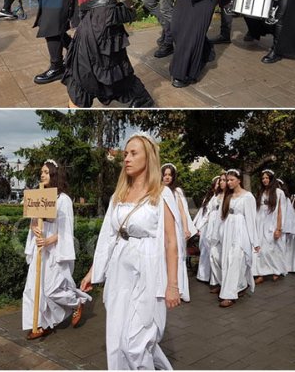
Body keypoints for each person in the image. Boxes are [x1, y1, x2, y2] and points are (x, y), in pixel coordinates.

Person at [79, 134, 181, 370]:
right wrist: (94, 272)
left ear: (149, 157)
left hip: (148, 267)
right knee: (116, 336)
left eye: (134, 153)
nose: (127, 158)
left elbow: (171, 242)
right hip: (119, 269)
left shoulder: (161, 194)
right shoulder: (119, 194)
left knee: (135, 342)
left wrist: (172, 285)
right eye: (125, 154)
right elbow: (107, 237)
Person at [21, 160, 90, 339]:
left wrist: (49, 240)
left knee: (51, 289)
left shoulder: (64, 199)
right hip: (39, 246)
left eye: (45, 172)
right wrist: (34, 228)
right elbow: (33, 221)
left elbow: (66, 230)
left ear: (54, 175)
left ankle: (76, 302)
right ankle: (41, 324)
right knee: (34, 288)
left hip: (54, 248)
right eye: (41, 172)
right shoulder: (38, 195)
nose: (42, 174)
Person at [216, 169, 259, 308]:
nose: (228, 182)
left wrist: (255, 241)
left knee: (236, 259)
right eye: (227, 180)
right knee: (228, 261)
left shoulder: (248, 197)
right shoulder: (227, 197)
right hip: (229, 231)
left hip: (241, 232)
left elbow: (252, 220)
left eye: (231, 180)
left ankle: (229, 295)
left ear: (239, 180)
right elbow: (222, 217)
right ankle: (240, 285)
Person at [162, 163, 196, 300]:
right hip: (162, 228)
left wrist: (186, 228)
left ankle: (180, 289)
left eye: (170, 175)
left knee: (178, 255)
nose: (167, 177)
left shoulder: (177, 192)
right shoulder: (157, 190)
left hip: (175, 228)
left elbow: (182, 211)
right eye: (165, 175)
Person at [252, 170, 288, 283]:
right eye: (263, 178)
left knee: (271, 249)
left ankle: (276, 270)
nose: (264, 180)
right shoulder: (260, 192)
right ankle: (260, 273)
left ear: (272, 179)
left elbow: (281, 212)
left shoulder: (278, 193)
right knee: (259, 250)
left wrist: (279, 228)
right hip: (260, 224)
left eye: (267, 178)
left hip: (271, 224)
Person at [194, 175, 223, 290]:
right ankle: (207, 276)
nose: (219, 184)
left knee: (216, 253)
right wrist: (197, 226)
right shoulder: (211, 198)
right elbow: (204, 213)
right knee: (208, 252)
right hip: (209, 227)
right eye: (217, 183)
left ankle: (217, 279)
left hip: (219, 226)